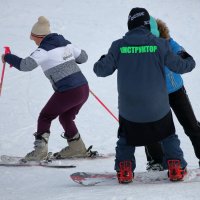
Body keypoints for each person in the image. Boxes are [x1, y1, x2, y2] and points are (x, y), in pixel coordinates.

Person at [93, 7, 196, 183]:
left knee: (126, 137)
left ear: (130, 25)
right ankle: (175, 166)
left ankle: (124, 169)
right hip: (158, 108)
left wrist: (105, 58)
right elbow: (184, 65)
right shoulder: (160, 44)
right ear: (148, 24)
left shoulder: (118, 46)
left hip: (129, 110)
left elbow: (100, 70)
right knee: (168, 134)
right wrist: (186, 56)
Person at [1, 16, 91, 161]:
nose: (34, 42)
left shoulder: (43, 50)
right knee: (66, 116)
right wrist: (69, 55)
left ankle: (40, 152)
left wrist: (8, 57)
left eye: (34, 39)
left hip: (68, 90)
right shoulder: (66, 43)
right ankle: (77, 148)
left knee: (45, 116)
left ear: (39, 36)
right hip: (83, 88)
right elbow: (84, 57)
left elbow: (25, 65)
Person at [145, 17, 200, 171]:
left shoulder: (167, 41)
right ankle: (156, 161)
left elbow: (179, 50)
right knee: (152, 128)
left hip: (175, 90)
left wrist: (182, 55)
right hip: (153, 94)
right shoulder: (140, 47)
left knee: (191, 125)